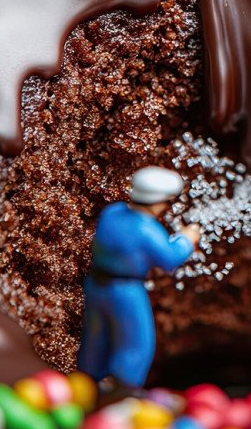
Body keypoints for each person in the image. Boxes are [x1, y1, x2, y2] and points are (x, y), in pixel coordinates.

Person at [77, 166, 200, 391]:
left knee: (96, 336)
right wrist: (186, 239)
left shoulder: (112, 213)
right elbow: (169, 259)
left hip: (95, 285)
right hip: (125, 290)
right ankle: (123, 390)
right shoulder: (147, 230)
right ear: (157, 203)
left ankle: (87, 382)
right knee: (135, 342)